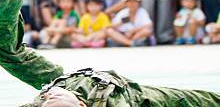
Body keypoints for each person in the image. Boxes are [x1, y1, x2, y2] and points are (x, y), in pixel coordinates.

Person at [19, 67, 220, 106]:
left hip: (121, 91)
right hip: (135, 98)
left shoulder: (41, 101)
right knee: (195, 101)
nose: (51, 96)